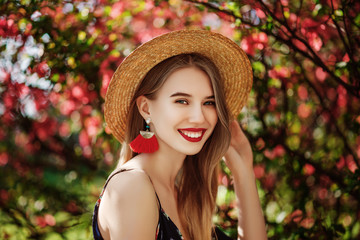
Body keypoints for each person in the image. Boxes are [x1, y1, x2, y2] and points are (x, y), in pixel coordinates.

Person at [92, 30, 267, 240]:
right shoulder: (132, 186)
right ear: (146, 109)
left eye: (209, 103)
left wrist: (243, 173)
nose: (198, 117)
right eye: (182, 101)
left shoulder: (184, 197)